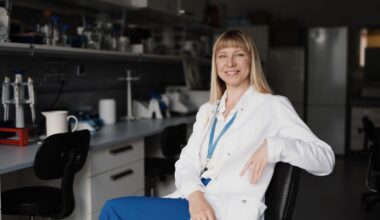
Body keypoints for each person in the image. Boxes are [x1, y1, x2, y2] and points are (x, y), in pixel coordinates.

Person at [99, 29, 335, 220]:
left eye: (239, 54)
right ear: (216, 64)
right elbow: (186, 163)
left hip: (226, 209)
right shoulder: (208, 111)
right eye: (222, 56)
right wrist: (195, 197)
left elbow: (325, 160)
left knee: (114, 210)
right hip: (195, 200)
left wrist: (275, 146)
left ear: (251, 60)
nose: (230, 63)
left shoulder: (272, 106)